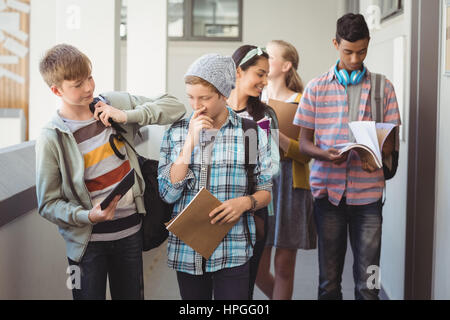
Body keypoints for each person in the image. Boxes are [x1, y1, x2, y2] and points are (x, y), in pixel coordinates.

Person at [35, 44, 186, 300]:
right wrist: (87, 216)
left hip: (130, 235)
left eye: (90, 78)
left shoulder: (112, 103)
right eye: (77, 84)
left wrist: (127, 115)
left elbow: (176, 107)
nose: (88, 88)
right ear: (56, 90)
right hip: (84, 247)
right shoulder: (52, 137)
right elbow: (47, 204)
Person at [294, 14, 401, 300]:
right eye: (348, 51)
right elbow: (304, 144)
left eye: (362, 51)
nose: (355, 59)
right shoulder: (316, 88)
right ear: (335, 44)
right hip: (328, 195)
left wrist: (376, 155)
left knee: (370, 280)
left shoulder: (383, 88)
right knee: (328, 281)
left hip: (369, 198)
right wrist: (324, 154)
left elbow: (390, 144)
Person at [158, 53, 273, 300]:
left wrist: (245, 203)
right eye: (191, 97)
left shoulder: (250, 133)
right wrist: (190, 143)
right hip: (187, 251)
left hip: (234, 248)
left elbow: (265, 190)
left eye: (205, 98)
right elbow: (167, 193)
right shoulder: (176, 132)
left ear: (223, 94)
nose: (196, 105)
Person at [256, 40, 315, 300]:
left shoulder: (303, 102)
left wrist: (278, 137)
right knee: (256, 267)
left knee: (283, 266)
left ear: (286, 65)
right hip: (261, 184)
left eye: (270, 55)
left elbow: (307, 154)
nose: (264, 58)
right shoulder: (254, 98)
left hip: (292, 184)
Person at [227, 45, 280, 299]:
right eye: (260, 74)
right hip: (215, 208)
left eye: (267, 75)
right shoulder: (215, 109)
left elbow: (273, 165)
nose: (265, 81)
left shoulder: (263, 116)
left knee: (243, 289)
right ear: (239, 71)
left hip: (254, 211)